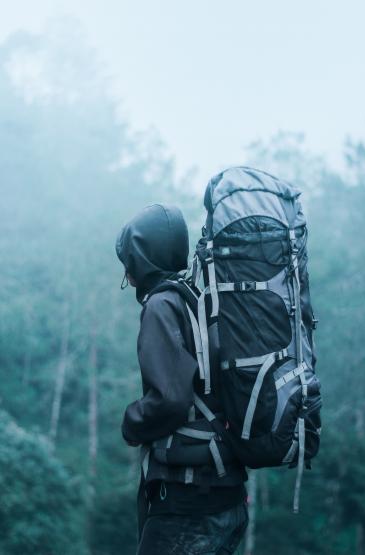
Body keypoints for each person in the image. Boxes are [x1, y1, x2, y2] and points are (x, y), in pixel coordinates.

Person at [116, 203, 248, 555]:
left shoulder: (161, 306)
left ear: (143, 259)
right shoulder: (200, 300)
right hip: (226, 498)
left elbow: (170, 400)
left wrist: (131, 423)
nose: (128, 277)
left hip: (187, 505)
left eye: (130, 263)